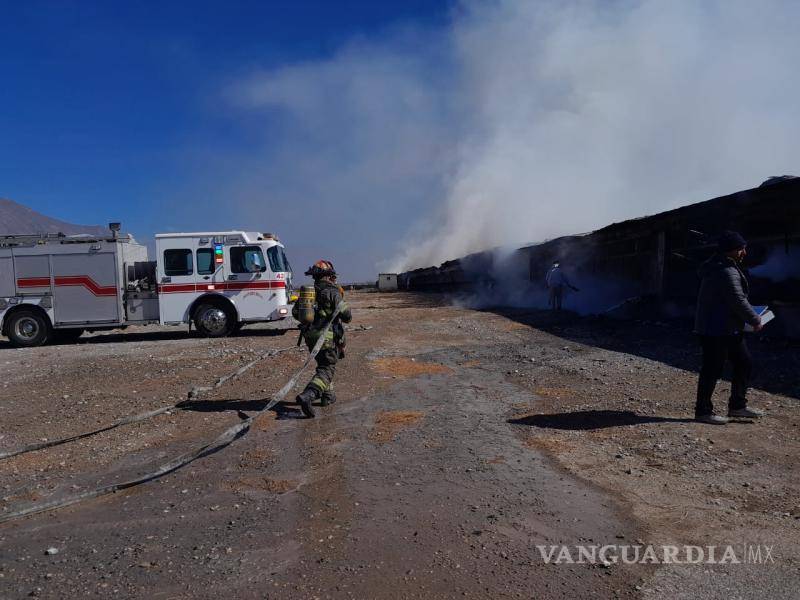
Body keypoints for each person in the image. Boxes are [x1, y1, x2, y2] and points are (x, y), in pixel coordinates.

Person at [694, 230, 764, 425]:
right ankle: (703, 412)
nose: (744, 252)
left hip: (727, 328)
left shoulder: (722, 266)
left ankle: (737, 406)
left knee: (744, 362)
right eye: (741, 248)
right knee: (712, 369)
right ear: (731, 250)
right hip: (715, 329)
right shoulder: (725, 271)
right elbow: (737, 299)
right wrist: (755, 319)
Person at [292, 260, 352, 418]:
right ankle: (309, 394)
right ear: (329, 275)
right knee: (327, 368)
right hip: (326, 337)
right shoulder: (332, 291)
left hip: (310, 338)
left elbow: (295, 313)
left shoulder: (309, 292)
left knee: (323, 365)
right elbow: (347, 316)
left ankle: (328, 396)